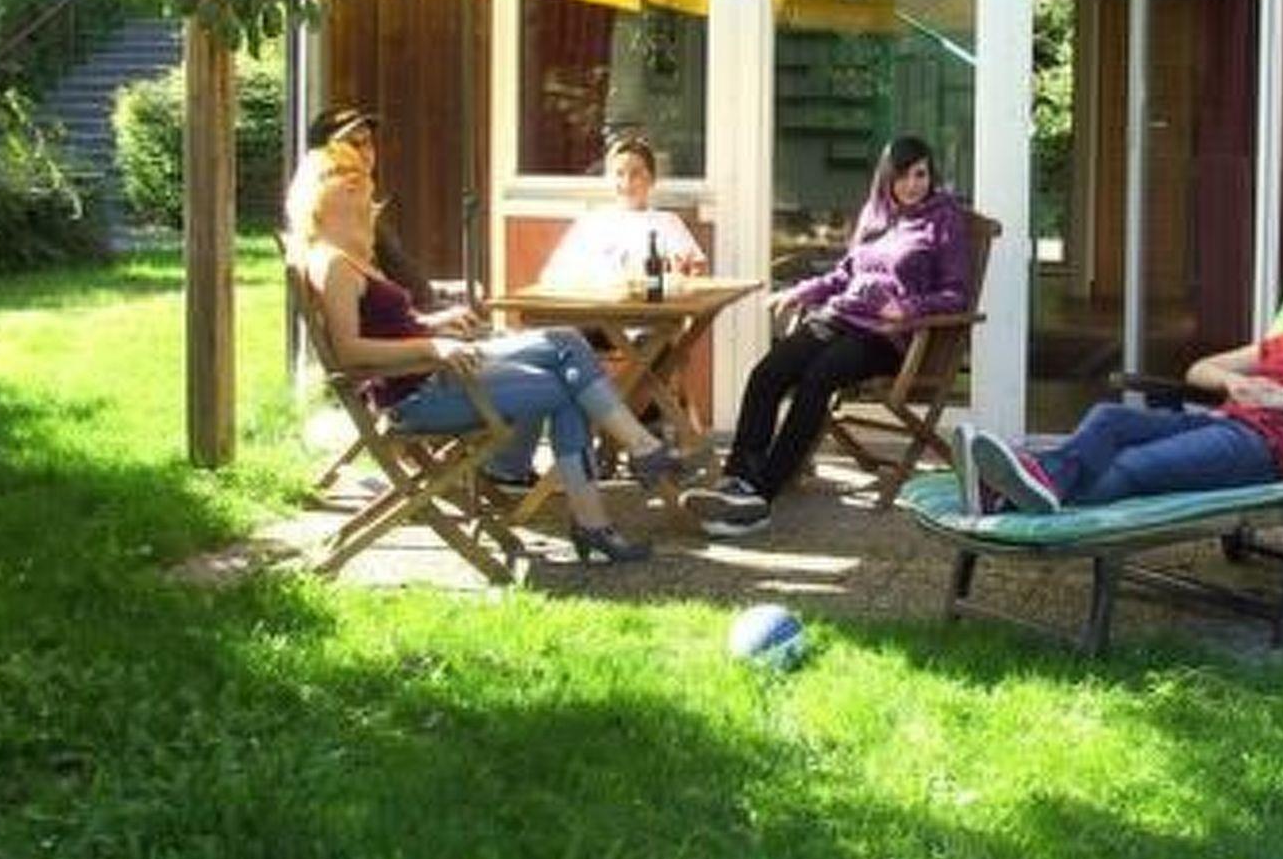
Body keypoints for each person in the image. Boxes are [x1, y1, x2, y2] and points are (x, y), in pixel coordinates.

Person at [286, 150, 691, 563]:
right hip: (419, 395)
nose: (360, 192)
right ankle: (606, 503)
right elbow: (350, 351)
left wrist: (435, 322)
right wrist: (432, 345)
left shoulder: (350, 256)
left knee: (565, 341)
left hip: (437, 373)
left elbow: (388, 326)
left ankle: (630, 467)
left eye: (359, 180)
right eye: (344, 181)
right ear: (318, 197)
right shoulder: (334, 265)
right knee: (568, 384)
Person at [681, 134, 972, 536]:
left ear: (931, 175)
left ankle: (760, 497)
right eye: (902, 175)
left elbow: (957, 294)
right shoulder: (876, 214)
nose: (912, 184)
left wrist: (908, 308)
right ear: (886, 178)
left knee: (817, 379)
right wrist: (801, 292)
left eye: (920, 174)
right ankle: (739, 480)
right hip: (841, 316)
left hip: (886, 336)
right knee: (769, 371)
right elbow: (844, 275)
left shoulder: (944, 218)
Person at [962, 259, 1283, 511]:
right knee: (1108, 418)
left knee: (1131, 465)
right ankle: (1028, 485)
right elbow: (1200, 370)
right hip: (1220, 424)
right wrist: (1233, 382)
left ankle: (1009, 494)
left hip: (1260, 450)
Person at [540, 133, 707, 291]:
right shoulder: (591, 223)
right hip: (600, 306)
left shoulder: (667, 222)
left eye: (636, 174)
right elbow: (554, 276)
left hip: (651, 308)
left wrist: (684, 272)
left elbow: (696, 272)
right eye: (619, 174)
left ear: (651, 179)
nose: (627, 182)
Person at [306, 106, 433, 308]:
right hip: (404, 320)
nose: (365, 152)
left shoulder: (359, 209)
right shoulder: (342, 218)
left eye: (368, 142)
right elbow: (390, 300)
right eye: (353, 144)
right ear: (326, 155)